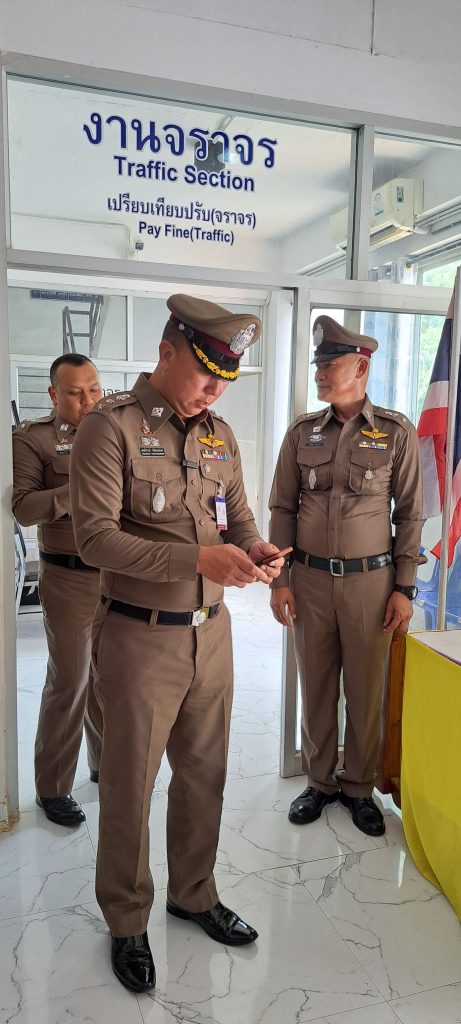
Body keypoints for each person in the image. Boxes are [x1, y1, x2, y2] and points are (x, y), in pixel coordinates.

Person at [69, 294, 283, 994]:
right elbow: (94, 538)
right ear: (165, 353)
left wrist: (254, 547)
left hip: (211, 636)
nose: (216, 390)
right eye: (205, 373)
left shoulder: (219, 434)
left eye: (226, 379)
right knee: (130, 785)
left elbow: (236, 515)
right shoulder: (111, 428)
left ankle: (194, 893)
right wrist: (197, 559)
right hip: (139, 637)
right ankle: (126, 918)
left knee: (204, 774)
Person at [268, 315, 424, 839]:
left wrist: (404, 588)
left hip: (370, 584)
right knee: (314, 686)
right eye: (318, 364)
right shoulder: (302, 432)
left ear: (360, 369)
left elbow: (411, 515)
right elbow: (282, 507)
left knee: (365, 689)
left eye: (330, 364)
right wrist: (280, 579)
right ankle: (319, 781)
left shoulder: (395, 432)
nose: (320, 372)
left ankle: (358, 787)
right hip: (309, 581)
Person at [12, 353, 104, 827]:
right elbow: (23, 507)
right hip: (68, 576)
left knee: (109, 678)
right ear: (53, 394)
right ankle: (52, 787)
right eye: (75, 392)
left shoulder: (119, 431)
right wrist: (77, 493)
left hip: (118, 575)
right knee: (70, 679)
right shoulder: (34, 439)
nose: (88, 400)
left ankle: (104, 767)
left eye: (94, 389)